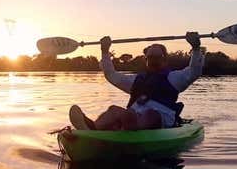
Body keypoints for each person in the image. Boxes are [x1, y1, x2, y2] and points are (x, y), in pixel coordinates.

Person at [69, 32, 204, 130]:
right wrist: (105, 51)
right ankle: (93, 128)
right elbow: (111, 75)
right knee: (114, 110)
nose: (153, 60)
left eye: (157, 57)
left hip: (160, 117)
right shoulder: (136, 80)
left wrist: (196, 48)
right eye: (150, 57)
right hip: (134, 114)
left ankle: (127, 127)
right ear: (146, 60)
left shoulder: (174, 78)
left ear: (164, 59)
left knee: (149, 114)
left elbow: (194, 71)